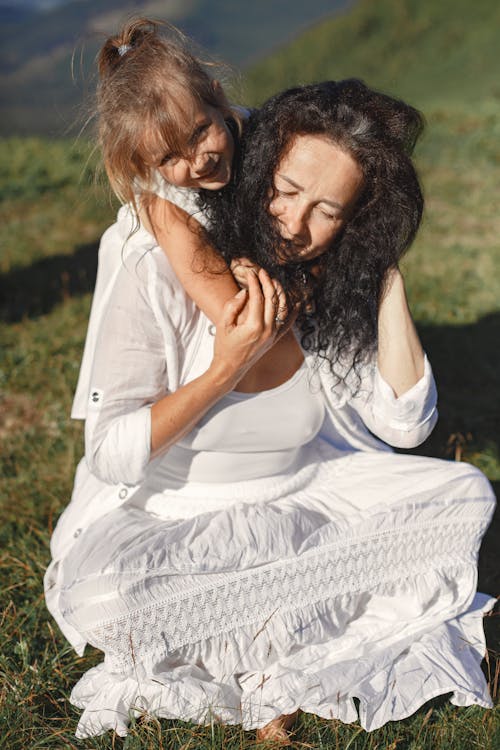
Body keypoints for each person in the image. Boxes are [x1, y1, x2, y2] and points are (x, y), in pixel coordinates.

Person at [44, 77, 496, 743]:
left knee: (467, 495)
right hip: (172, 524)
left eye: (329, 211)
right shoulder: (158, 261)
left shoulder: (327, 283)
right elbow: (110, 456)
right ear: (257, 172)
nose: (295, 224)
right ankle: (319, 626)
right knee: (109, 601)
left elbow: (406, 425)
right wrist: (228, 362)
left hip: (300, 502)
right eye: (284, 191)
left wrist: (385, 271)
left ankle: (257, 631)